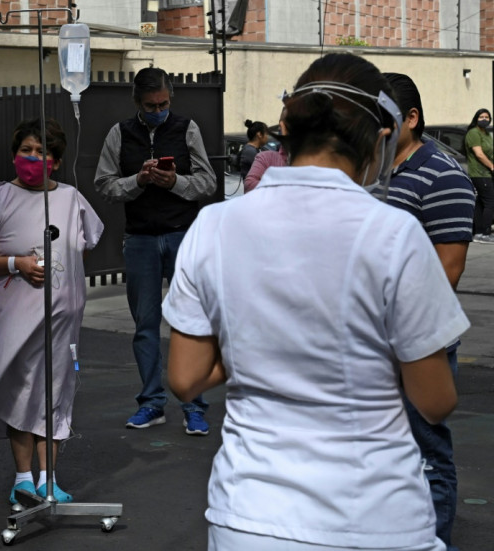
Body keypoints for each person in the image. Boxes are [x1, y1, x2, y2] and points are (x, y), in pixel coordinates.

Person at [162, 52, 467, 550]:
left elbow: (185, 378)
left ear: (286, 126)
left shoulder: (215, 225)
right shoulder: (394, 233)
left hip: (249, 514)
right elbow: (435, 402)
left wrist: (257, 347)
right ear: (378, 138)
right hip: (373, 515)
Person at [0, 119, 103, 505]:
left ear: (56, 161)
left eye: (42, 152)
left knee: (56, 391)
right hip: (13, 316)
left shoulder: (73, 200)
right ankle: (23, 478)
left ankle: (49, 480)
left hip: (62, 321)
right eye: (26, 150)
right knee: (19, 389)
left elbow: (81, 248)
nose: (33, 158)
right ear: (14, 154)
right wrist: (16, 265)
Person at [94, 67, 216, 435]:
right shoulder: (119, 133)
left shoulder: (187, 128)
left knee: (190, 323)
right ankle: (151, 402)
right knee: (145, 326)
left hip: (182, 235)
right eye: (150, 105)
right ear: (137, 103)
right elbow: (104, 184)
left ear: (171, 98)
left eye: (163, 104)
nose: (158, 110)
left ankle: (194, 405)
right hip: (141, 238)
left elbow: (208, 182)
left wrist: (175, 181)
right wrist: (139, 180)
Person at [383, 72, 475, 551]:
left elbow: (449, 270)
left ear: (412, 119)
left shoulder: (443, 175)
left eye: (384, 119)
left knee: (426, 452)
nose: (373, 130)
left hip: (419, 341)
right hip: (371, 341)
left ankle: (434, 540)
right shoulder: (367, 170)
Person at [464, 108, 494, 243]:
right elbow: (479, 154)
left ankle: (478, 233)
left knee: (481, 203)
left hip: (486, 173)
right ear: (476, 118)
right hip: (479, 173)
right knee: (490, 202)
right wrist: (492, 166)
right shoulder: (473, 133)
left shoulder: (486, 134)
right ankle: (485, 233)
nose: (484, 119)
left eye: (487, 117)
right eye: (482, 117)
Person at [243, 109, 288, 192]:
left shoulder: (257, 151)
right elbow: (250, 183)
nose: (267, 137)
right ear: (259, 134)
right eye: (266, 133)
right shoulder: (254, 153)